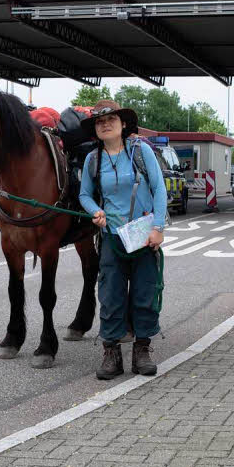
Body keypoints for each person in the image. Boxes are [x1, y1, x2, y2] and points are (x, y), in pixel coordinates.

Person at [78, 100, 168, 380]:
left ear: (123, 123)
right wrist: (96, 211)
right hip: (111, 239)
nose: (106, 124)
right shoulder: (93, 160)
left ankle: (142, 351)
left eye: (111, 119)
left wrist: (158, 227)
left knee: (144, 294)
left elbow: (159, 188)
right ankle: (111, 355)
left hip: (143, 237)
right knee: (110, 296)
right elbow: (84, 195)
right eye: (100, 121)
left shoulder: (141, 152)